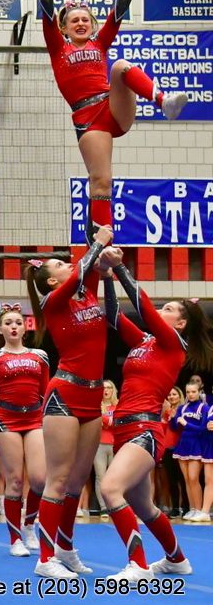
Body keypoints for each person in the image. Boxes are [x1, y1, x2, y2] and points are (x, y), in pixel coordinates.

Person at [38, 0, 186, 243]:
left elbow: (118, 11)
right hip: (90, 121)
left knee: (120, 66)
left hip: (113, 108)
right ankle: (102, 246)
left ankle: (163, 101)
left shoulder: (100, 42)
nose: (80, 23)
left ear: (92, 25)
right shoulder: (57, 48)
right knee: (102, 183)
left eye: (85, 19)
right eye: (74, 21)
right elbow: (46, 13)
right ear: (64, 28)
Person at [98, 247, 210, 579]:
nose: (162, 311)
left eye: (169, 309)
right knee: (144, 506)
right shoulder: (145, 342)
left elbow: (143, 306)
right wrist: (106, 278)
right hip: (123, 429)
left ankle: (138, 564)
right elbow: (114, 316)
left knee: (110, 489)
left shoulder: (174, 345)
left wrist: (120, 267)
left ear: (181, 323)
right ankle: (177, 560)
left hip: (144, 431)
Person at [24, 224, 114, 578]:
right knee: (58, 480)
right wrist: (97, 244)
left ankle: (65, 546)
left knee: (77, 482)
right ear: (51, 281)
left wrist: (106, 260)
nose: (68, 265)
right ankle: (45, 559)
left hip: (93, 395)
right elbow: (83, 267)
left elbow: (94, 261)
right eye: (60, 265)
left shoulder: (85, 293)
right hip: (65, 395)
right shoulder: (53, 302)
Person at [0, 303, 50, 557]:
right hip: (7, 420)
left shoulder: (40, 356)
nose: (13, 327)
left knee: (39, 479)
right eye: (8, 323)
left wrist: (52, 421)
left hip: (35, 419)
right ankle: (15, 538)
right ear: (0, 329)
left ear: (24, 329)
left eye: (18, 323)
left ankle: (29, 524)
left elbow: (46, 392)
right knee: (15, 481)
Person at [173, 379, 209, 521]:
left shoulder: (204, 408)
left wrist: (186, 423)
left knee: (194, 478)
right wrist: (173, 416)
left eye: (193, 392)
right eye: (188, 392)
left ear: (200, 392)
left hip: (197, 444)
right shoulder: (182, 408)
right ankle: (193, 508)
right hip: (183, 444)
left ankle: (199, 509)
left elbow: (203, 429)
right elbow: (174, 427)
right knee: (187, 478)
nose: (190, 394)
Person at [157, 386, 184, 517]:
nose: (171, 397)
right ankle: (175, 508)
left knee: (182, 480)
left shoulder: (183, 410)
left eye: (174, 394)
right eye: (169, 395)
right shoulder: (167, 411)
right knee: (171, 480)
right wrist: (165, 413)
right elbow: (162, 429)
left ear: (180, 396)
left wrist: (171, 413)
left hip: (180, 447)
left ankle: (186, 507)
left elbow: (178, 428)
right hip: (167, 448)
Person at [93, 380, 119, 516]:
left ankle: (115, 506)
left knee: (116, 477)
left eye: (109, 388)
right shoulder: (96, 406)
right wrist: (108, 421)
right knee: (100, 477)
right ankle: (103, 507)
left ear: (113, 390)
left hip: (116, 444)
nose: (106, 390)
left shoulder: (118, 406)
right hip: (99, 444)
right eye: (103, 388)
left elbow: (118, 424)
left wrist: (105, 420)